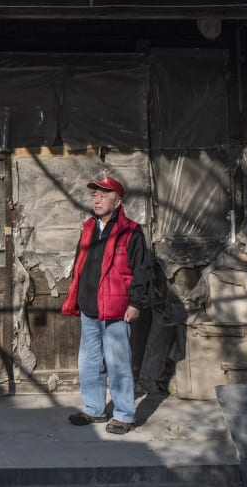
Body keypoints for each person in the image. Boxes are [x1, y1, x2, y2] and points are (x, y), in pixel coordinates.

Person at [61, 176, 153, 435]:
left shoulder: (131, 231)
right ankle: (93, 409)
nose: (97, 199)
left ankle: (124, 414)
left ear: (118, 200)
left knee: (118, 363)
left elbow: (142, 271)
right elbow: (82, 267)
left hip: (116, 310)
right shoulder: (89, 227)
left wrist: (136, 303)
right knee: (89, 362)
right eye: (95, 195)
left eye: (104, 194)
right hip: (89, 306)